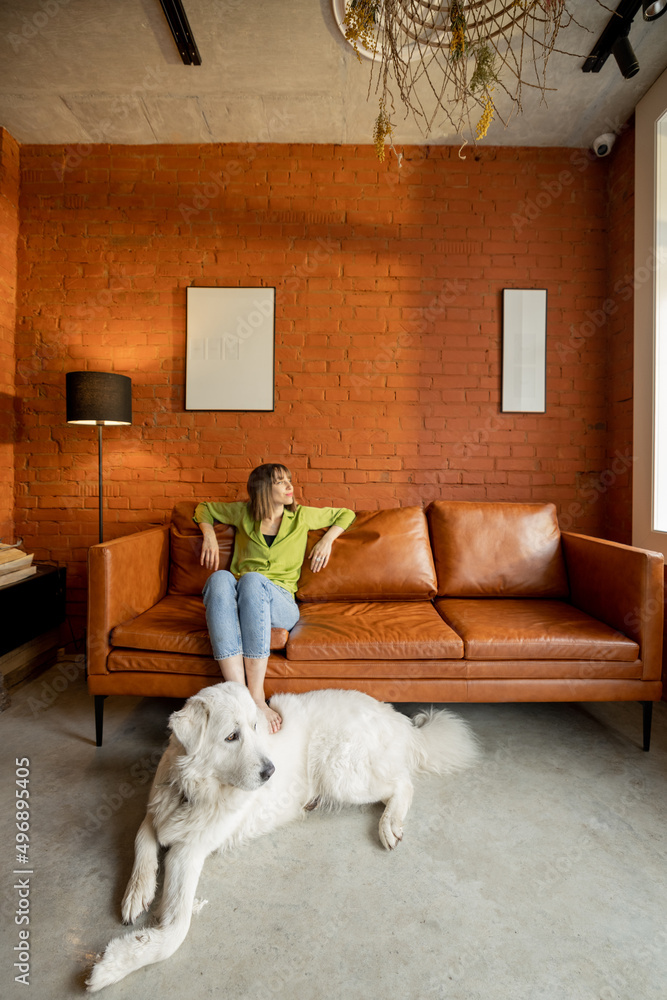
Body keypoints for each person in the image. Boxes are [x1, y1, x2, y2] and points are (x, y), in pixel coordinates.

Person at [193, 463, 355, 733]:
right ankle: (237, 695)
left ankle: (256, 697)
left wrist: (327, 540)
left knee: (253, 579)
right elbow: (203, 509)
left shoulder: (301, 516)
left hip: (280, 602)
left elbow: (346, 514)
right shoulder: (243, 513)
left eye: (289, 480)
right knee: (219, 578)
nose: (290, 486)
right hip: (239, 595)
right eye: (281, 482)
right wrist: (208, 533)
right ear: (263, 489)